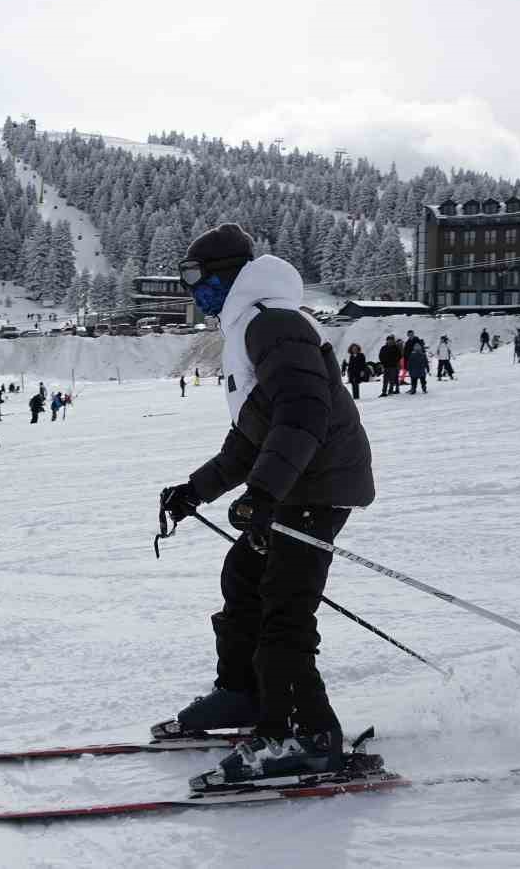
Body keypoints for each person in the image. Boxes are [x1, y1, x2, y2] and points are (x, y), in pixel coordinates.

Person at [158, 223, 375, 786]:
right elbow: (252, 436)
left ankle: (304, 732)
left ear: (225, 274)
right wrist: (195, 490)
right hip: (296, 481)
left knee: (284, 602)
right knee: (246, 575)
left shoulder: (272, 323)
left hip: (317, 483)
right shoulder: (253, 328)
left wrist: (264, 494)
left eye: (194, 277)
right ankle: (246, 694)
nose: (191, 290)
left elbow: (304, 415)